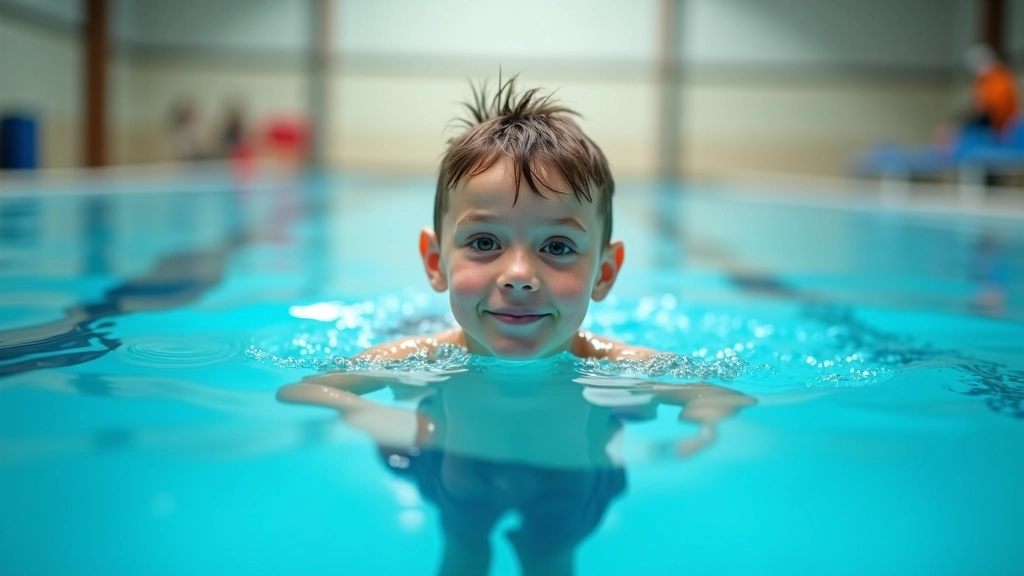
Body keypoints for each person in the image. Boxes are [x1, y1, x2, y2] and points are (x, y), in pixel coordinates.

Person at [964, 44, 1019, 135]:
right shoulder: (983, 81)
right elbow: (980, 106)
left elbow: (999, 107)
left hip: (1003, 124)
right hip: (993, 121)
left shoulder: (998, 78)